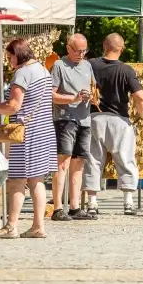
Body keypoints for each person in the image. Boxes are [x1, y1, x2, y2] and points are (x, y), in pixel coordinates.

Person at [0, 38, 56, 238]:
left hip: (27, 133)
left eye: (10, 57)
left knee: (17, 179)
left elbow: (14, 106)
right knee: (36, 180)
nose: (9, 61)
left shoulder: (23, 73)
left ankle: (11, 226)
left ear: (17, 55)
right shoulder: (43, 70)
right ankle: (38, 226)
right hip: (44, 130)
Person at [84, 33, 143, 216]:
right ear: (122, 48)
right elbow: (140, 97)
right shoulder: (126, 70)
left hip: (94, 118)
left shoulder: (90, 65)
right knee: (125, 159)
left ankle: (92, 203)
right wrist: (141, 114)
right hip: (119, 120)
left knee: (93, 160)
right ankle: (128, 202)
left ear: (104, 44)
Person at [50, 33, 95, 221]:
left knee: (79, 162)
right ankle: (58, 208)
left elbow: (94, 88)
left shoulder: (87, 65)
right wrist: (73, 98)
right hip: (65, 119)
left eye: (84, 51)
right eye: (78, 51)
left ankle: (75, 206)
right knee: (63, 162)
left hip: (85, 119)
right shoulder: (59, 66)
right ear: (68, 48)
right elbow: (51, 95)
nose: (81, 54)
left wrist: (92, 96)